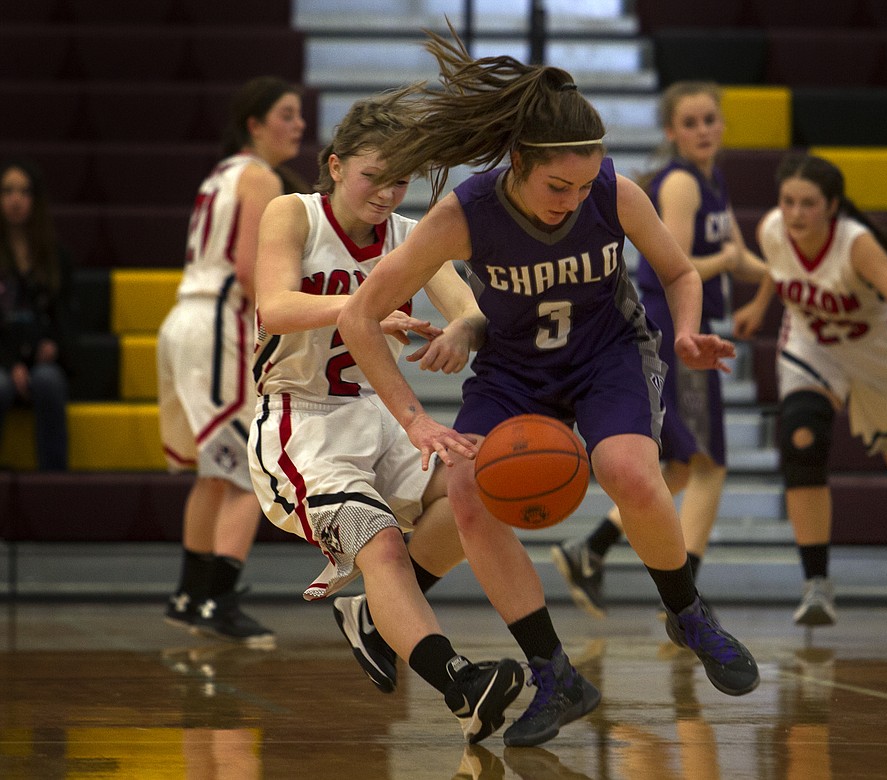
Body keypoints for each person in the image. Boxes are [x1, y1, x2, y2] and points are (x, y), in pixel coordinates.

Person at [337, 29, 760, 748]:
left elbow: (681, 273)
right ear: (517, 165)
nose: (571, 198)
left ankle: (688, 611)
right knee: (467, 491)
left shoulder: (613, 193)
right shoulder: (462, 216)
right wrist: (412, 419)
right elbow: (358, 315)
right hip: (513, 370)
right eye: (556, 185)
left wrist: (686, 334)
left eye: (583, 182)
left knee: (627, 467)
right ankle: (553, 672)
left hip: (607, 354)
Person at [248, 92, 524, 744]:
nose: (388, 192)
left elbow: (471, 308)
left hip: (380, 412)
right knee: (380, 543)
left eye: (401, 180)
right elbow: (276, 308)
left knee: (479, 486)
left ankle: (372, 612)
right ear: (336, 165)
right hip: (302, 420)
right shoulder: (294, 213)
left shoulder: (409, 235)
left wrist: (464, 332)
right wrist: (362, 309)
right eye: (376, 175)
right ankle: (460, 681)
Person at [731, 153, 887, 627]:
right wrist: (762, 306)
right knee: (801, 442)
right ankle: (817, 586)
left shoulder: (857, 244)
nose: (796, 213)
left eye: (808, 204)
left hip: (879, 355)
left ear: (832, 207)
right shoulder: (771, 228)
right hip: (812, 346)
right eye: (789, 202)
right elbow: (778, 268)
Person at [551, 81, 764, 619]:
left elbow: (738, 257)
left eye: (710, 120)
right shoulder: (682, 185)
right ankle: (687, 599)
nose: (703, 130)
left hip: (679, 323)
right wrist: (738, 261)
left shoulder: (713, 181)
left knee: (682, 466)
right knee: (707, 463)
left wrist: (775, 280)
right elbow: (681, 263)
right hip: (671, 324)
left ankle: (592, 551)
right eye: (690, 122)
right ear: (671, 131)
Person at [157, 76, 307, 646]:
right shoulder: (260, 177)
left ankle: (188, 596)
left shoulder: (220, 174)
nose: (297, 125)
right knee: (249, 467)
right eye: (286, 115)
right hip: (219, 323)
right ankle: (219, 600)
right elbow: (250, 271)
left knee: (214, 472)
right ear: (255, 124)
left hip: (183, 321)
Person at [0, 157, 71, 471]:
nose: (16, 199)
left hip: (42, 360)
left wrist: (53, 345)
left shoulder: (54, 256)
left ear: (35, 199)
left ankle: (53, 479)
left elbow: (67, 314)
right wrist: (10, 360)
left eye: (24, 191)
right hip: (2, 359)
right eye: (8, 191)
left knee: (48, 382)